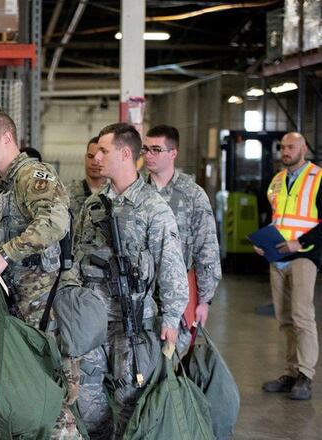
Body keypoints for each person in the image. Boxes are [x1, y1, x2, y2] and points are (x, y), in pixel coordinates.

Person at [0, 108, 82, 439]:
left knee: (50, 390)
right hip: (12, 303)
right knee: (21, 388)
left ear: (6, 138)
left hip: (40, 307)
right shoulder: (1, 186)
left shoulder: (32, 177)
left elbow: (55, 222)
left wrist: (6, 253)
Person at [73, 123, 188, 439]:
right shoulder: (93, 204)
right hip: (93, 322)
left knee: (131, 400)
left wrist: (172, 319)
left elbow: (172, 267)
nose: (96, 156)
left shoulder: (154, 208)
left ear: (125, 154)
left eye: (104, 151)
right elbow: (77, 258)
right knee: (86, 397)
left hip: (134, 322)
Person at [143, 125, 221, 354]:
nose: (148, 155)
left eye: (156, 149)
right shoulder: (137, 192)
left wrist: (205, 300)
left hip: (179, 290)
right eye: (145, 149)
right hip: (141, 290)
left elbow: (206, 248)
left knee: (173, 357)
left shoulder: (192, 194)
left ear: (173, 153)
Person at [256, 131, 319, 401]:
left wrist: (300, 242)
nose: (286, 151)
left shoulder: (318, 177)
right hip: (277, 256)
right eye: (283, 147)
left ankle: (305, 374)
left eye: (291, 146)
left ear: (303, 148)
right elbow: (277, 219)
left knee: (302, 316)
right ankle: (291, 372)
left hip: (305, 254)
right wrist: (263, 242)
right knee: (284, 319)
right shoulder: (278, 181)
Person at [67, 136, 105, 220]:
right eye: (90, 157)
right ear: (85, 157)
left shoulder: (114, 196)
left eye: (100, 158)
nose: (95, 162)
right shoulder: (67, 194)